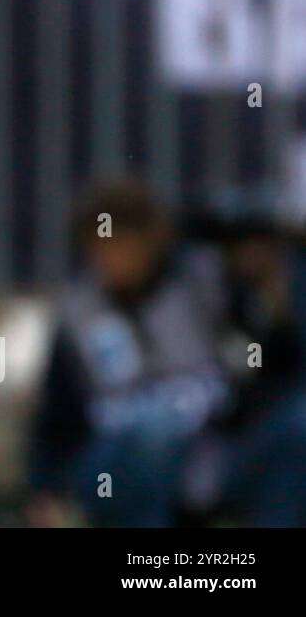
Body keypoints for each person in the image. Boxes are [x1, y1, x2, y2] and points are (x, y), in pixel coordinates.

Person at [25, 180, 235, 527]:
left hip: (205, 456)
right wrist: (45, 489)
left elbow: (248, 367)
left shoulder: (202, 288)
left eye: (122, 244)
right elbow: (55, 416)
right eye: (99, 248)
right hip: (109, 468)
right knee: (154, 434)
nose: (111, 259)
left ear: (151, 242)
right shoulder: (79, 313)